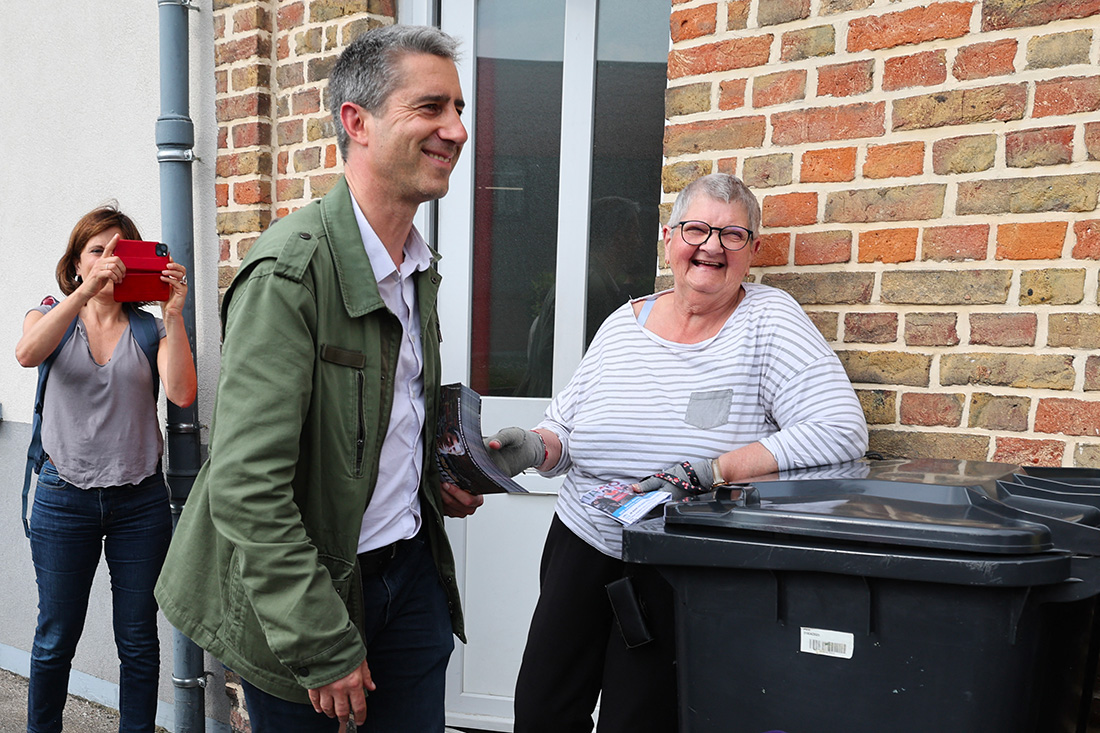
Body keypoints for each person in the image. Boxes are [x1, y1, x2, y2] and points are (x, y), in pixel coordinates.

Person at [154, 24, 482, 732]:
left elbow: (378, 420)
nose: (455, 129)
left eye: (459, 109)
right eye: (430, 108)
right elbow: (246, 486)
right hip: (310, 598)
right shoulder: (291, 272)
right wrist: (319, 638)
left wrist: (432, 474)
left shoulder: (416, 266)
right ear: (356, 122)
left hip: (410, 578)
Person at [486, 173, 869, 732]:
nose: (711, 247)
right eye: (697, 229)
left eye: (732, 235)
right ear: (670, 238)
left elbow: (840, 429)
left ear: (752, 251)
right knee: (543, 707)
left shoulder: (769, 320)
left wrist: (715, 471)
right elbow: (566, 429)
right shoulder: (623, 323)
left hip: (678, 564)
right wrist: (534, 447)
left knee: (637, 719)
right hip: (582, 543)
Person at [15, 204, 196, 733]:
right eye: (97, 252)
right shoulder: (49, 312)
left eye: (119, 252)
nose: (108, 262)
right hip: (62, 497)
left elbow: (183, 392)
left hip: (138, 505)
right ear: (75, 264)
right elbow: (27, 353)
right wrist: (82, 294)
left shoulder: (147, 330)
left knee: (139, 642)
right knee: (55, 637)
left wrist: (175, 313)